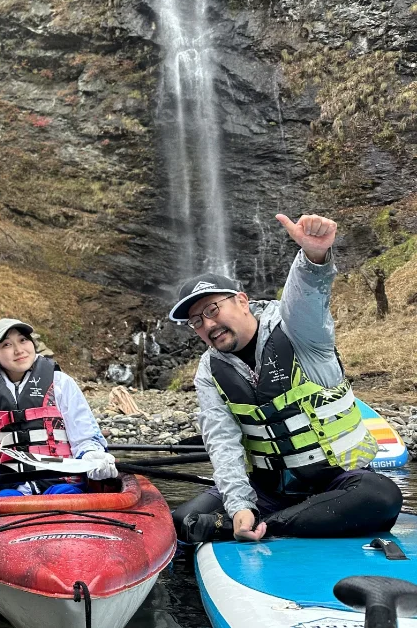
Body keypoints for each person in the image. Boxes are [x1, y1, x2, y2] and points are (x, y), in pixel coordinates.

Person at [169, 213, 402, 542]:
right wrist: (239, 507)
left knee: (382, 497)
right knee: (183, 519)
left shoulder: (299, 331)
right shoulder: (209, 370)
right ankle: (262, 522)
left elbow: (308, 299)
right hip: (267, 491)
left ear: (241, 301)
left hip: (337, 484)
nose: (207, 325)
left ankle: (269, 527)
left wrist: (313, 257)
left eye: (212, 310)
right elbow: (223, 445)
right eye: (196, 321)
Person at [0, 319, 118, 494]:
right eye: (7, 344)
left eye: (23, 340)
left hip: (59, 482)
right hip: (8, 486)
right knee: (3, 499)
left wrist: (92, 455)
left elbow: (85, 434)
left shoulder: (61, 383)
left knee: (67, 497)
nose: (19, 350)